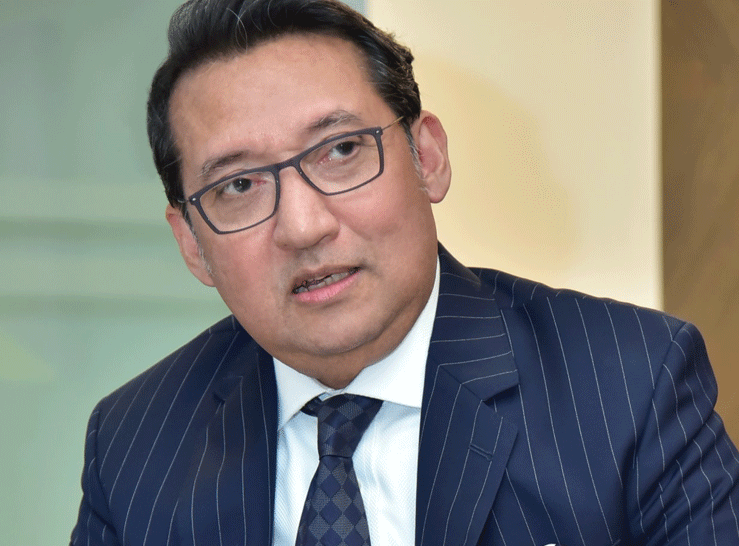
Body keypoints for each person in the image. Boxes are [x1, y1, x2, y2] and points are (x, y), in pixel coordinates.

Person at [70, 0, 739, 544]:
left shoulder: (630, 385)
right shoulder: (134, 446)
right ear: (191, 243)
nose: (303, 226)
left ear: (428, 158)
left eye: (341, 150)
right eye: (239, 185)